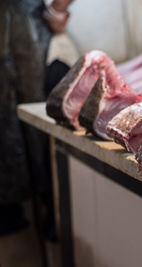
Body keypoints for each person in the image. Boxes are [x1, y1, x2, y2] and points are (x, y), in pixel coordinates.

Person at [0, 0, 73, 236]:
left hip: (26, 28)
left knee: (37, 115)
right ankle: (11, 209)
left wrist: (56, 9)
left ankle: (54, 212)